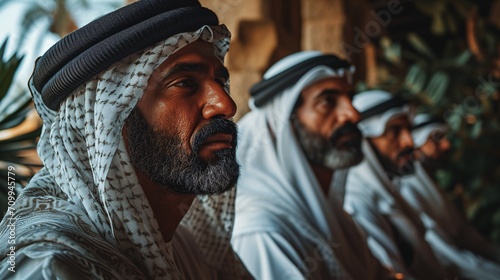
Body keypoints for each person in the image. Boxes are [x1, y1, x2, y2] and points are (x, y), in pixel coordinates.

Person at [0, 0, 251, 279]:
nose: (226, 105)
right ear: (109, 120)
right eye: (185, 83)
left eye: (220, 81)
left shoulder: (186, 246)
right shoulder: (50, 267)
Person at [232, 51, 390, 280]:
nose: (353, 115)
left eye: (350, 99)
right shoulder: (262, 232)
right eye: (328, 101)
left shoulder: (340, 220)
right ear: (285, 125)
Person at [344, 90, 455, 279]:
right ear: (365, 140)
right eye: (395, 131)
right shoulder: (356, 204)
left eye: (408, 131)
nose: (409, 141)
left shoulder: (391, 194)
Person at [399, 114, 500, 279]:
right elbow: (449, 257)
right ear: (416, 142)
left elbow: (471, 239)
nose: (447, 145)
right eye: (436, 138)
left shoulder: (429, 183)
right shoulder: (406, 189)